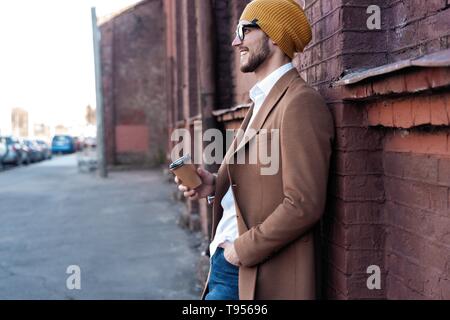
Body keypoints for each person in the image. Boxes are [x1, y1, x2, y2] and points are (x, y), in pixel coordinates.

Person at [175, 0, 334, 300]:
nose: (236, 42)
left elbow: (304, 203)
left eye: (244, 30)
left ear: (274, 34)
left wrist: (239, 252)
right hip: (226, 266)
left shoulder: (299, 103)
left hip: (254, 272)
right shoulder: (260, 100)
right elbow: (259, 182)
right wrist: (212, 186)